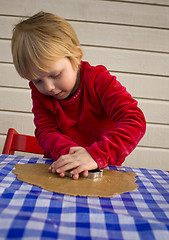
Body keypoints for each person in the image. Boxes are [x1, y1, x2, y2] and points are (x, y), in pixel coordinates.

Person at [11, 11, 146, 180]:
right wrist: (73, 156)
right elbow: (46, 130)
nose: (49, 87)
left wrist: (94, 155)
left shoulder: (99, 81)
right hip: (62, 169)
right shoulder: (40, 92)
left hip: (102, 171)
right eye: (37, 81)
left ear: (76, 56)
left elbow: (134, 120)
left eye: (55, 75)